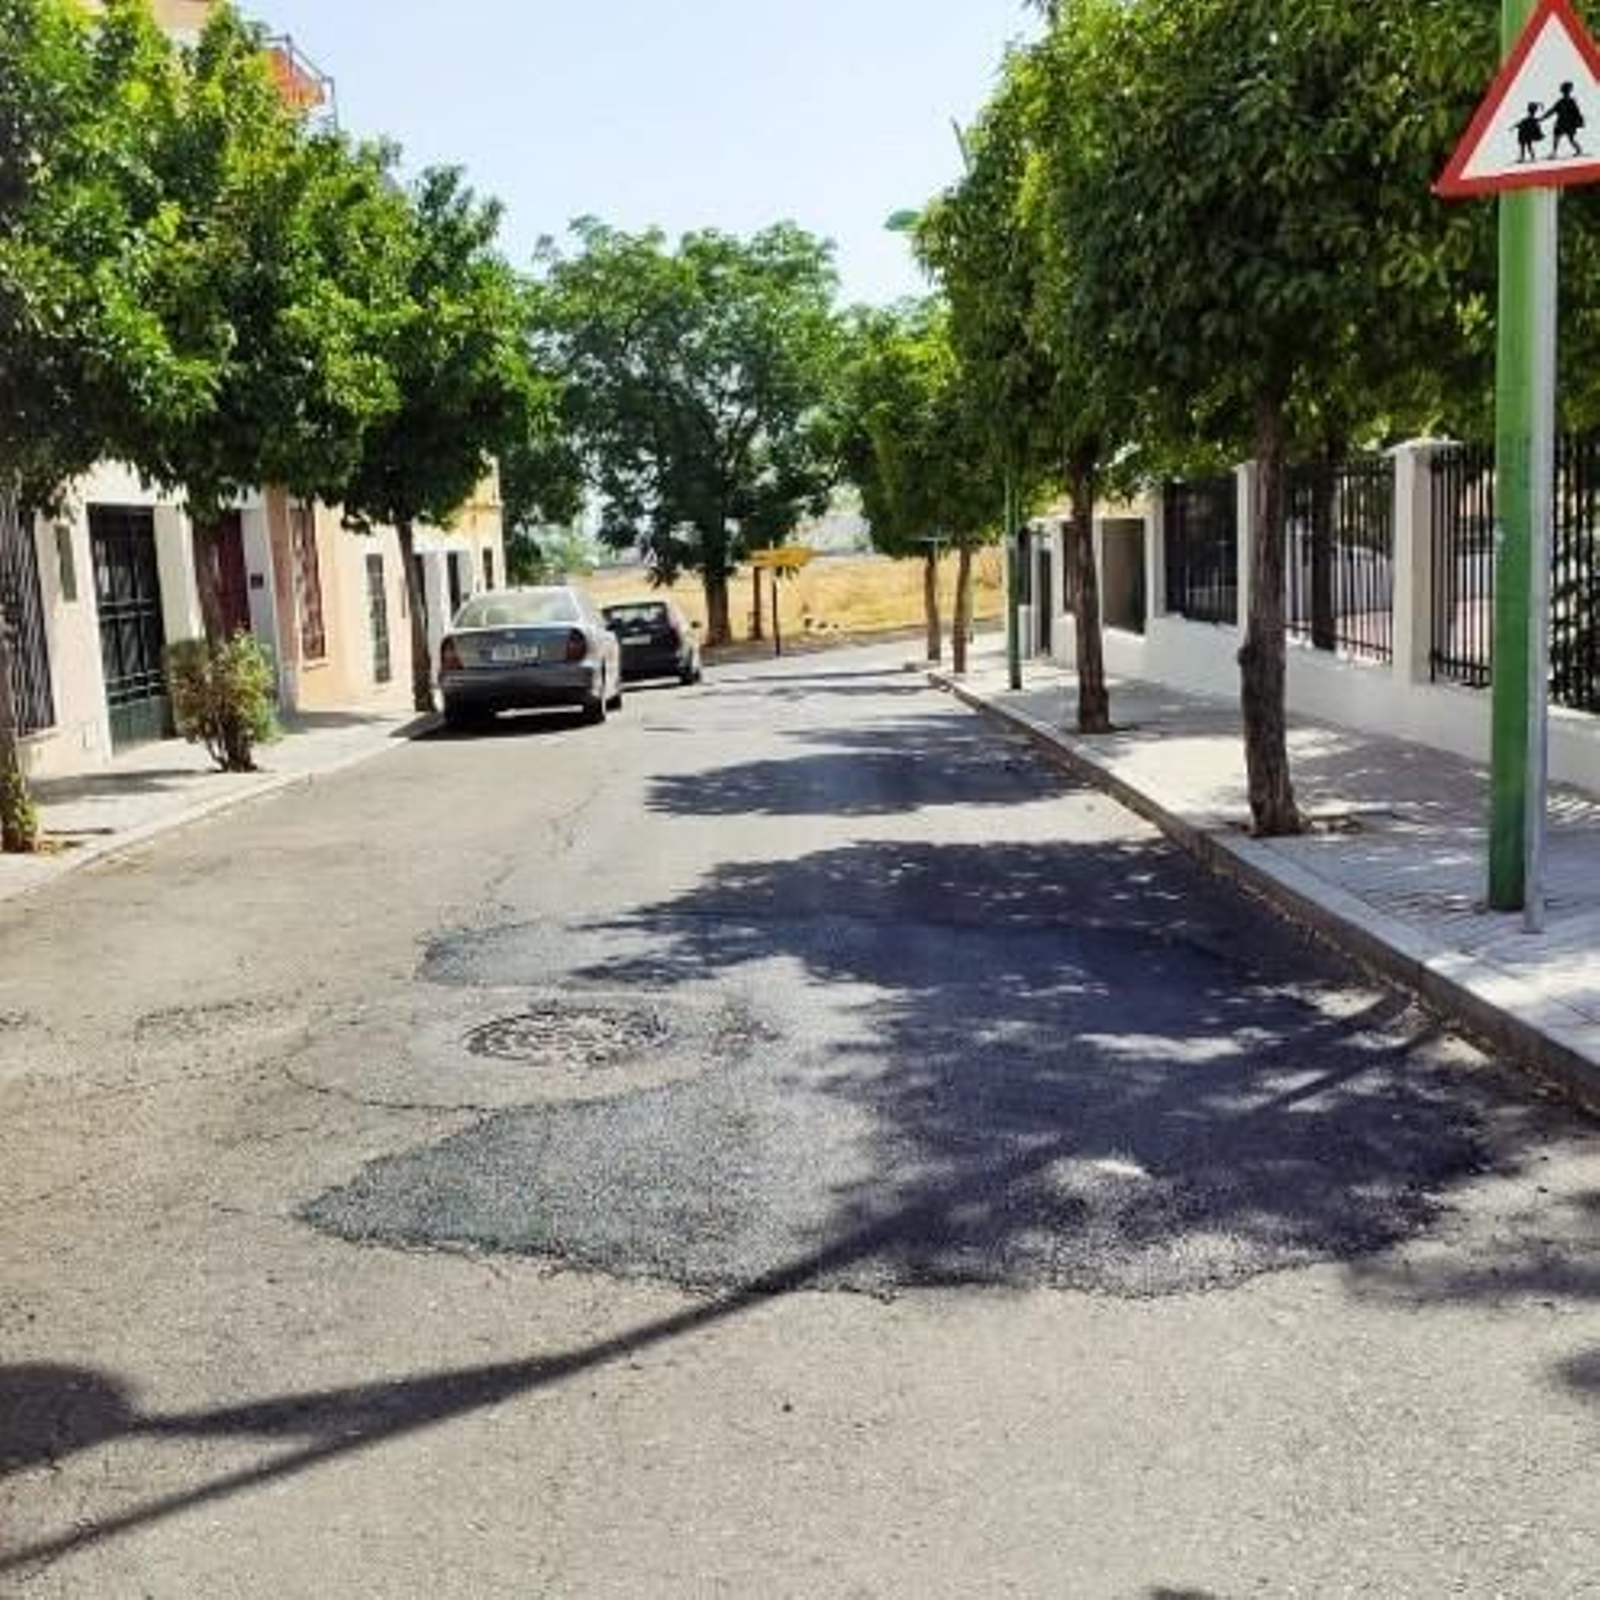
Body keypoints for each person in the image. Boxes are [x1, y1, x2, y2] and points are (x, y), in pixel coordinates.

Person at [1547, 81, 1586, 157]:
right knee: (1557, 138)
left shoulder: (1571, 102)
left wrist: (1579, 121)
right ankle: (1554, 152)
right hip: (1562, 123)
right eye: (1565, 92)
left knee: (1570, 139)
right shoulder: (1561, 102)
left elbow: (1577, 112)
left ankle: (1578, 150)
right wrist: (1542, 118)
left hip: (1568, 124)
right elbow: (1552, 111)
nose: (1566, 94)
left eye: (1566, 92)